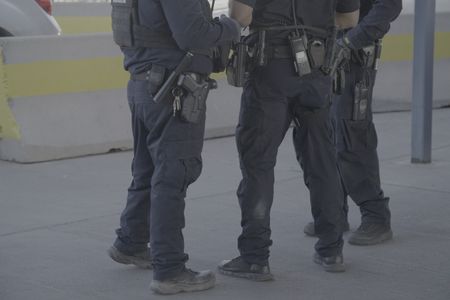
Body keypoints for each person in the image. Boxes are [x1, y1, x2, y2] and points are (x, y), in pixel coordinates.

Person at [218, 0, 360, 280]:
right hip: (317, 70)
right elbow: (350, 19)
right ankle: (331, 249)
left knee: (257, 164)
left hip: (270, 71)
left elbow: (242, 16)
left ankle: (255, 257)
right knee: (322, 162)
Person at [106, 0, 240, 295]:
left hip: (144, 84)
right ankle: (170, 270)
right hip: (172, 89)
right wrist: (233, 25)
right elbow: (193, 34)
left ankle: (131, 242)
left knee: (147, 171)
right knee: (173, 176)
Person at [301, 0, 402, 246]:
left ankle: (375, 216)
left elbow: (390, 6)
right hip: (325, 54)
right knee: (329, 134)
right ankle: (335, 212)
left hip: (354, 59)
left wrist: (350, 41)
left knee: (352, 134)